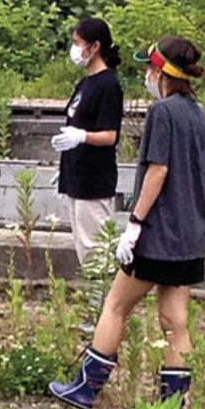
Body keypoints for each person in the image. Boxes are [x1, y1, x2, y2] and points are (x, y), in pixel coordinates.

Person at [49, 36, 205, 409]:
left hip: (157, 235)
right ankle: (172, 405)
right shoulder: (199, 115)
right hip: (188, 237)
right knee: (175, 321)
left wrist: (134, 224)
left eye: (149, 67)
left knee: (115, 306)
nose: (146, 73)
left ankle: (85, 389)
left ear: (162, 72)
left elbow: (157, 170)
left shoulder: (162, 114)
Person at [52, 18, 124, 265]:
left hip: (93, 181)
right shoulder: (85, 83)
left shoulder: (108, 84)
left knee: (96, 250)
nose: (75, 49)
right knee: (84, 248)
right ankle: (100, 301)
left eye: (77, 43)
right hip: (76, 176)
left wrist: (81, 136)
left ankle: (104, 301)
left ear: (94, 47)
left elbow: (109, 135)